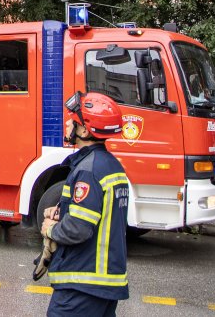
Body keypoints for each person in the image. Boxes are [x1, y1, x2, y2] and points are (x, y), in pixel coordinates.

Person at [39, 91, 129, 317]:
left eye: (72, 120)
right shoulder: (111, 165)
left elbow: (78, 229)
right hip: (102, 284)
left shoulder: (88, 170)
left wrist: (51, 229)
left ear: (84, 131)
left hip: (82, 285)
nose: (67, 123)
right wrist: (63, 212)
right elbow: (98, 215)